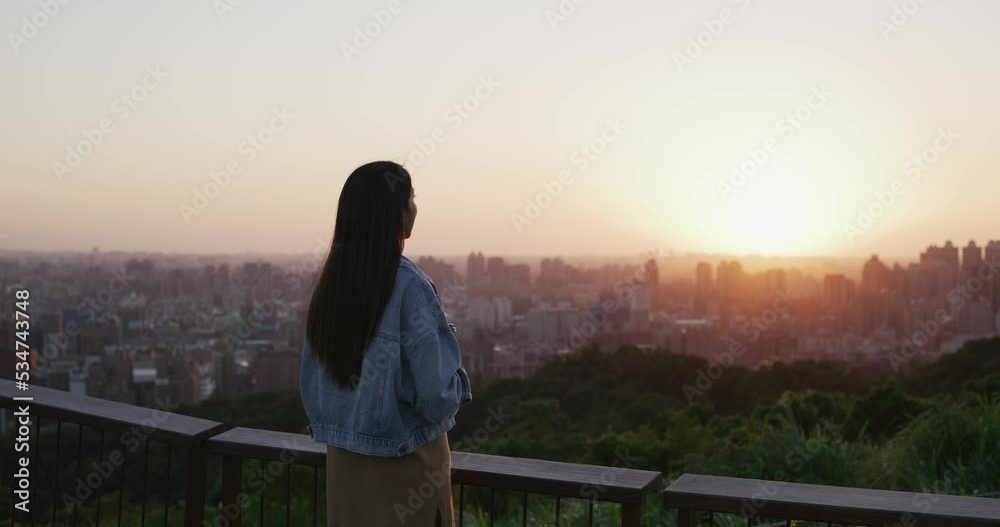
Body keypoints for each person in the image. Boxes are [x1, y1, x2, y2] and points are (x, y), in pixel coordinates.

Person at [300, 161, 472, 526]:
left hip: (346, 469)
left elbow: (317, 384)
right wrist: (458, 382)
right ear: (393, 212)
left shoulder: (329, 286)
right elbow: (436, 397)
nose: (414, 208)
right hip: (409, 468)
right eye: (410, 199)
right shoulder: (410, 286)